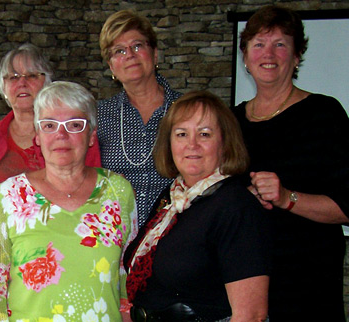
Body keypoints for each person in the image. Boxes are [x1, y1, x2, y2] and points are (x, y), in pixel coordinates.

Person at [0, 81, 137, 321]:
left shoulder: (118, 191)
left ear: (92, 135)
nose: (61, 135)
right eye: (50, 125)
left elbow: (125, 276)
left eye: (74, 125)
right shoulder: (9, 194)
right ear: (38, 136)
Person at [233, 5, 349, 321]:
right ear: (245, 55)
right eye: (258, 44)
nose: (268, 53)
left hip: (307, 288)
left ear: (296, 56)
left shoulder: (325, 114)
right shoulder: (230, 122)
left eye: (280, 44)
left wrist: (287, 198)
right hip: (246, 283)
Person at [125, 91, 271, 322]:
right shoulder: (173, 197)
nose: (192, 145)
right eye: (181, 134)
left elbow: (251, 315)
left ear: (224, 143)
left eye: (205, 134)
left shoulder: (235, 206)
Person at [98, 9, 183, 228]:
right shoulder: (99, 115)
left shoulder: (185, 110)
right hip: (117, 236)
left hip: (176, 231)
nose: (130, 55)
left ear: (155, 54)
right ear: (111, 67)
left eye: (137, 46)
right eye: (119, 51)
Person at [0, 43, 101, 182]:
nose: (22, 83)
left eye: (32, 75)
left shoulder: (75, 131)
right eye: (13, 77)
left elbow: (93, 184)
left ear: (47, 84)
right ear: (3, 87)